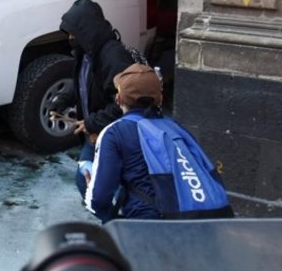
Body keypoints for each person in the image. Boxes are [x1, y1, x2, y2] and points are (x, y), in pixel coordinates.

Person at [85, 64, 232, 222]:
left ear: (118, 99)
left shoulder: (115, 132)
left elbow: (98, 200)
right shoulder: (177, 129)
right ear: (160, 99)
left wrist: (93, 197)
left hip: (152, 229)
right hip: (208, 223)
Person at [55, 0, 134, 198]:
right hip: (95, 134)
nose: (70, 37)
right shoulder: (86, 53)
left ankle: (112, 224)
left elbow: (124, 103)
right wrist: (63, 99)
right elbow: (82, 81)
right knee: (91, 182)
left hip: (109, 135)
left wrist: (92, 122)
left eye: (73, 32)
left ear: (86, 30)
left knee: (89, 183)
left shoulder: (113, 57)